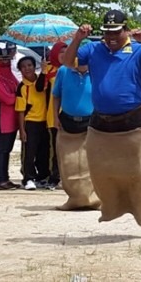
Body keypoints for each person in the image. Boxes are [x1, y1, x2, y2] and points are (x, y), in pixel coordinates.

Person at [63, 9, 141, 228]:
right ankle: (110, 209)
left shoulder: (138, 49)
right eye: (107, 32)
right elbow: (67, 62)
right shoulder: (92, 48)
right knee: (100, 169)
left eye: (116, 32)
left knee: (136, 170)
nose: (111, 37)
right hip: (101, 120)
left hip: (131, 120)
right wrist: (77, 38)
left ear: (125, 30)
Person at [52, 55, 99, 210]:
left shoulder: (97, 71)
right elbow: (56, 95)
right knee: (68, 163)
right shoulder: (64, 71)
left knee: (91, 162)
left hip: (91, 122)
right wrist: (55, 117)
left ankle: (93, 199)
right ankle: (74, 199)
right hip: (67, 121)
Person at [15, 56, 49, 191]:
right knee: (29, 152)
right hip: (31, 122)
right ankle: (28, 178)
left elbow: (41, 87)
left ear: (35, 66)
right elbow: (20, 111)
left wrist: (45, 71)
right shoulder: (22, 87)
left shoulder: (43, 80)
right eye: (23, 67)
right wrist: (22, 130)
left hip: (45, 122)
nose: (27, 68)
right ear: (20, 70)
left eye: (29, 65)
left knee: (43, 152)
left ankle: (42, 177)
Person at [0, 46, 20, 190]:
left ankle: (5, 178)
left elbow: (18, 90)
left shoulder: (9, 75)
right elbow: (8, 99)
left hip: (13, 118)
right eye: (2, 59)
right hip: (3, 119)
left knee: (8, 149)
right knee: (2, 150)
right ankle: (0, 179)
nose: (5, 62)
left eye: (8, 59)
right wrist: (19, 97)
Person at [39, 41, 67, 190]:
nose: (63, 55)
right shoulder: (49, 69)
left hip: (69, 113)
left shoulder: (70, 68)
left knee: (67, 148)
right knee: (54, 149)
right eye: (60, 52)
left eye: (65, 52)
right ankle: (53, 177)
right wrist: (43, 73)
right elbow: (40, 89)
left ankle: (66, 176)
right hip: (53, 115)